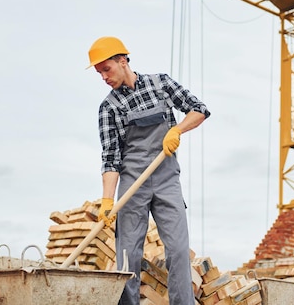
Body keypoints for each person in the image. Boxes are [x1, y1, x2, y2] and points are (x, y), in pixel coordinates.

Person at [86, 36, 210, 305]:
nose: (104, 77)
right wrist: (108, 199)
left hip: (167, 180)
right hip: (133, 184)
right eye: (99, 73)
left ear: (122, 61)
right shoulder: (109, 107)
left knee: (177, 250)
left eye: (106, 69)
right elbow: (110, 157)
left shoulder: (161, 84)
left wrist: (178, 129)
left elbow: (199, 110)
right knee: (128, 254)